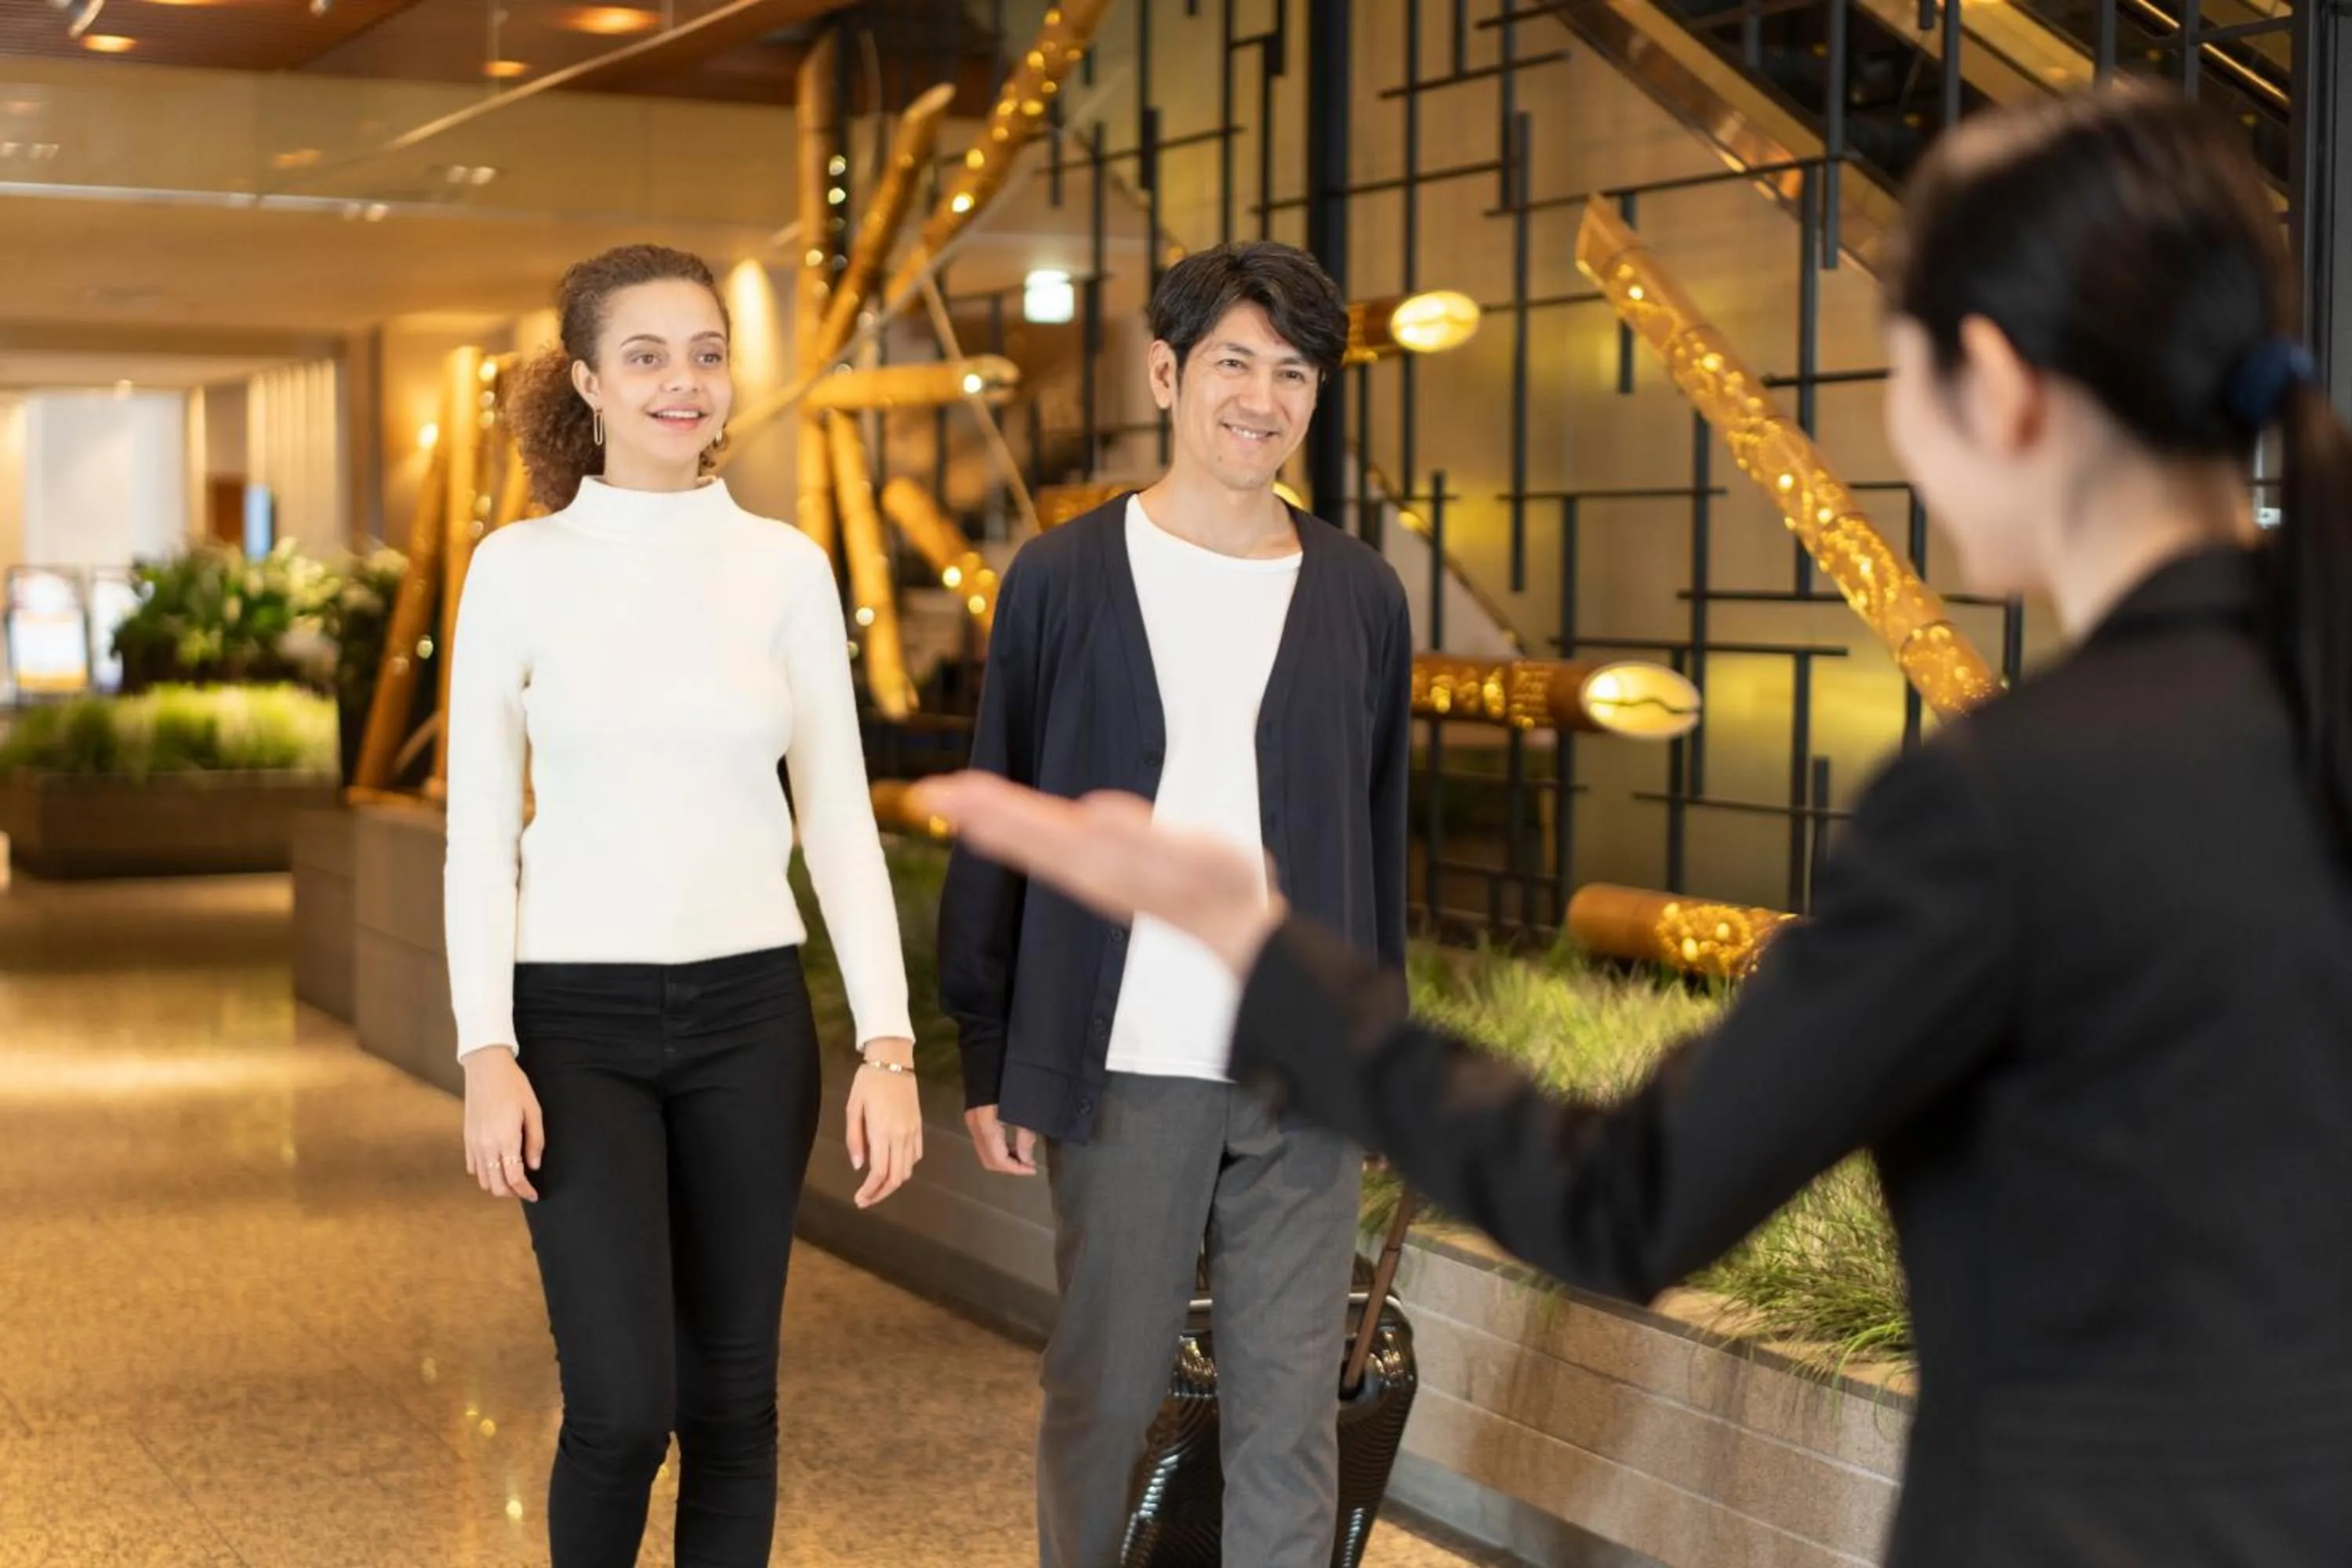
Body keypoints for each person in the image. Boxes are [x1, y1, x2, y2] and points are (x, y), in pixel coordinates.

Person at [913, 86, 2352, 1567]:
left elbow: (1626, 1202)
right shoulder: (2292, 725)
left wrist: (1266, 957)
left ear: (1998, 381)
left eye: (1898, 368)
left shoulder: (2005, 799)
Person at [445, 243, 924, 1568]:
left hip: (748, 1020)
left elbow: (837, 819)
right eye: (646, 355)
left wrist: (887, 1045)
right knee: (621, 1406)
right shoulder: (518, 568)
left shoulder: (781, 565)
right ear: (587, 379)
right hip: (573, 1026)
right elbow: (480, 833)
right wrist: (487, 1048)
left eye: (706, 352)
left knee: (733, 1403)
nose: (683, 381)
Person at [938, 241, 1414, 1566]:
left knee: (1289, 1421)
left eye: (1294, 373)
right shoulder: (1062, 578)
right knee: (1101, 1399)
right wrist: (989, 1050)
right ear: (1166, 371)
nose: (1262, 398)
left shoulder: (1361, 596)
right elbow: (1004, 817)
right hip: (1124, 1066)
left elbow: (1380, 847)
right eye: (1232, 364)